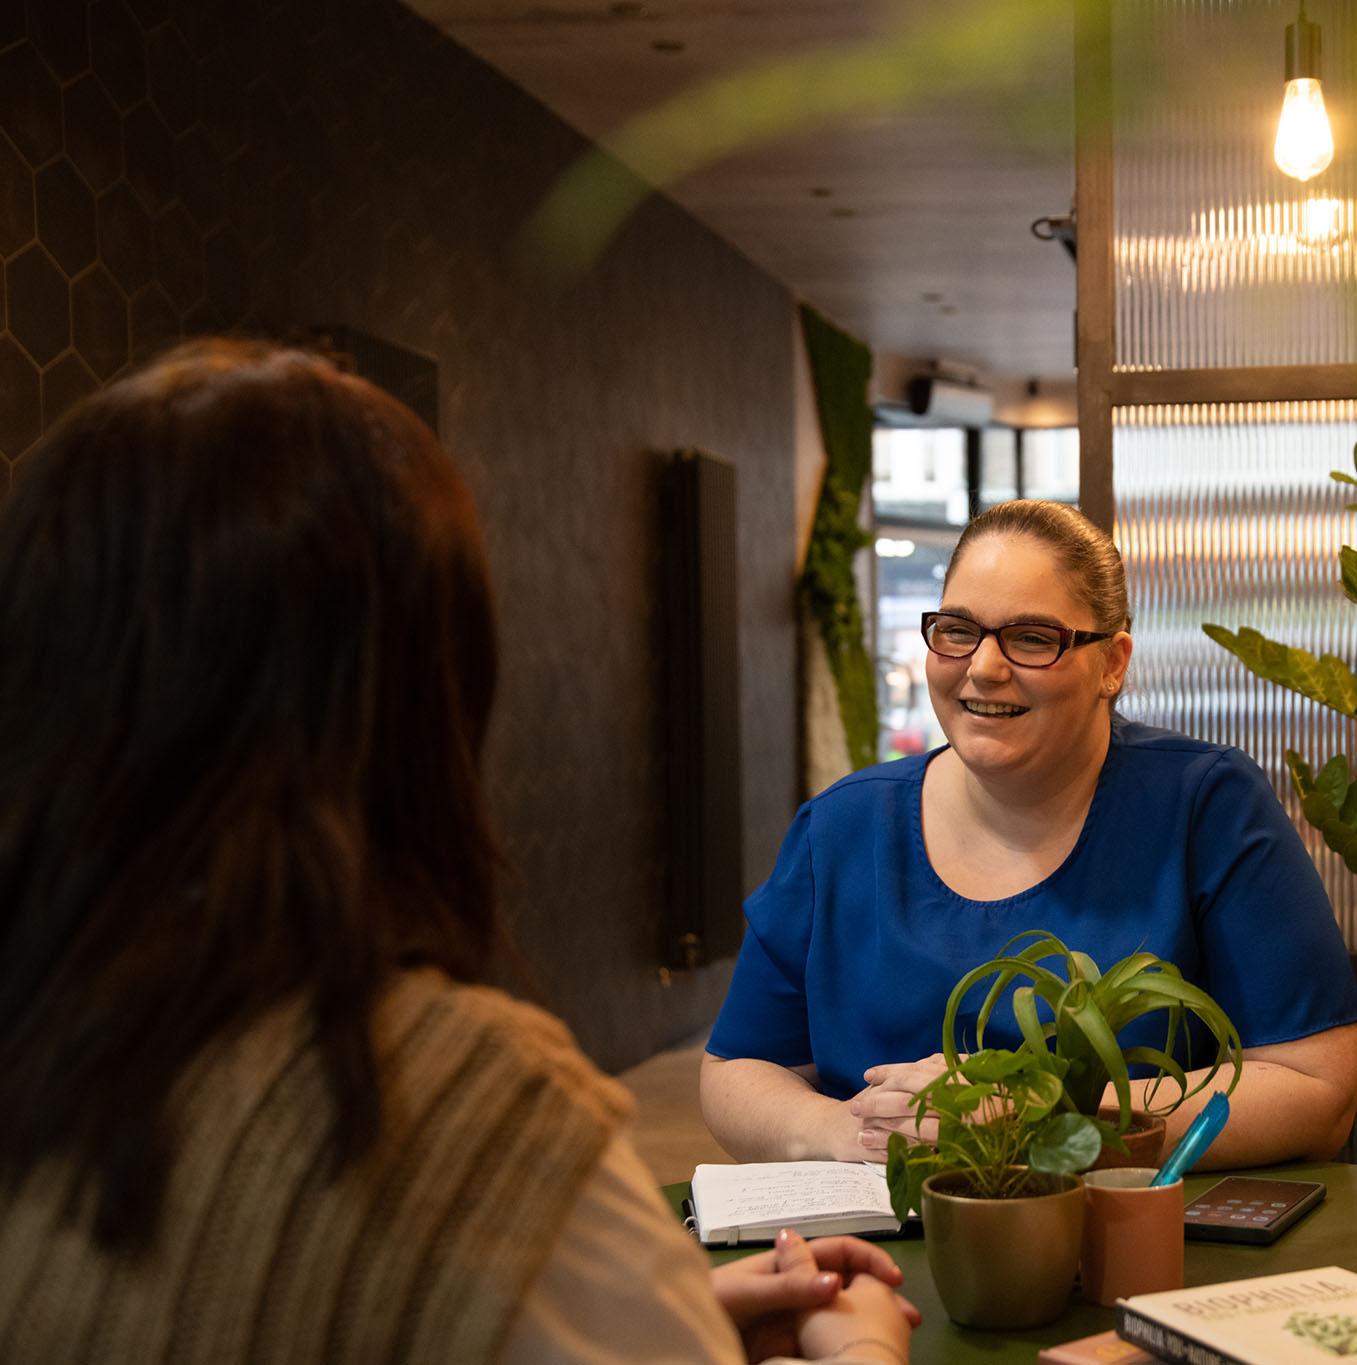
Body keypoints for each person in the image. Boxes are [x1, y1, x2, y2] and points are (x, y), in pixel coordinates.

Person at [0, 340, 916, 1365]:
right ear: (422, 695)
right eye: (955, 629)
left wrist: (656, 1312)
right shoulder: (466, 1116)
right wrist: (864, 1353)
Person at [702, 499, 1357, 1169]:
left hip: (1131, 1248)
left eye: (1031, 637)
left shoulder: (1206, 807)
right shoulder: (842, 828)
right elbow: (735, 1069)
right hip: (872, 1249)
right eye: (958, 630)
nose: (983, 667)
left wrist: (1040, 1118)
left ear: (1112, 662)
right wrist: (852, 1134)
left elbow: (1316, 1087)